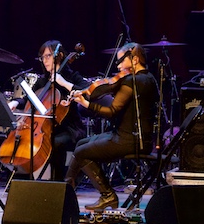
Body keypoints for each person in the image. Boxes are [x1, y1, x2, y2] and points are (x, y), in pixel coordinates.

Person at [67, 42, 158, 211]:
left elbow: (111, 111)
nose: (118, 65)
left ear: (135, 59)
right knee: (81, 144)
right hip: (132, 136)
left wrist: (87, 104)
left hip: (129, 139)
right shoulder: (148, 78)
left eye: (121, 60)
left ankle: (106, 195)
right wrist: (88, 92)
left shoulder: (133, 81)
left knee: (81, 152)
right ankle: (67, 193)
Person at [7, 40, 89, 181]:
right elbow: (29, 101)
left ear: (60, 56)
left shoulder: (72, 76)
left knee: (55, 143)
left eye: (48, 56)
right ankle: (24, 179)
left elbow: (87, 91)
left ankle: (58, 183)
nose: (44, 60)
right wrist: (15, 101)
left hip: (69, 128)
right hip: (45, 128)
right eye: (42, 57)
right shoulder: (42, 81)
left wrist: (63, 83)